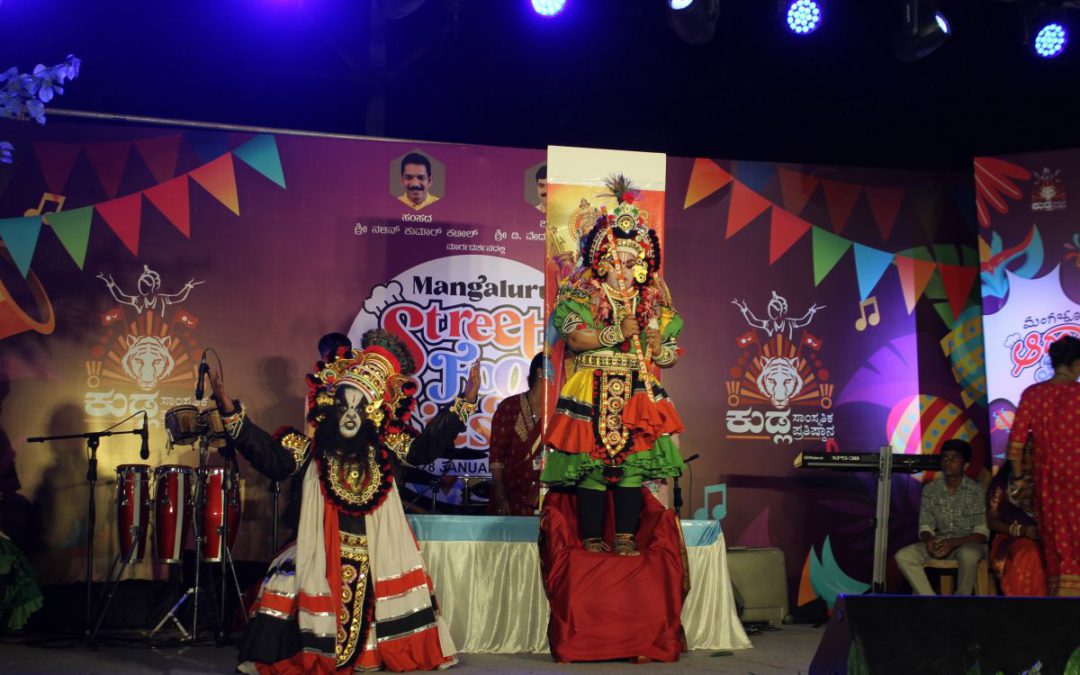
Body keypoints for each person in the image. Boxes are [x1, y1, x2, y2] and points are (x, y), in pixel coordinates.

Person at [211, 329, 479, 673]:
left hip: (378, 547)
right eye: (345, 404)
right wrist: (232, 412)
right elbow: (270, 458)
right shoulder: (310, 448)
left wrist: (464, 403)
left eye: (361, 406)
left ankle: (375, 653)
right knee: (289, 578)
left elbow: (424, 448)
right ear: (331, 407)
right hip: (320, 547)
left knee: (379, 584)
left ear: (374, 412)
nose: (351, 414)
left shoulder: (385, 447)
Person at [541, 175, 685, 555]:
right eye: (617, 259)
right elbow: (573, 338)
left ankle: (625, 535)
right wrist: (614, 333)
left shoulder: (653, 301)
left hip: (636, 388)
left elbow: (667, 355)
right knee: (590, 464)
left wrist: (658, 346)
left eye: (632, 260)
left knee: (634, 465)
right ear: (601, 261)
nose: (624, 267)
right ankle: (591, 536)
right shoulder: (581, 293)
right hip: (591, 383)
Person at [1006, 334, 1080, 597]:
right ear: (1076, 364)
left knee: (1057, 545)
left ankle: (1062, 607)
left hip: (1049, 487)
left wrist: (1018, 479)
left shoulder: (1033, 394)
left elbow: (1015, 445)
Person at [895, 439, 988, 596]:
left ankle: (960, 604)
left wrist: (954, 543)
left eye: (954, 458)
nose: (948, 462)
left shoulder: (976, 490)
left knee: (969, 555)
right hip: (939, 543)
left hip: (966, 544)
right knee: (903, 556)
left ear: (965, 465)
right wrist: (929, 540)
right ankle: (932, 602)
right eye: (945, 458)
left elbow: (982, 534)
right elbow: (925, 526)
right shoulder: (931, 489)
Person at [987, 440, 1047, 596]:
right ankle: (1025, 610)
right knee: (1029, 553)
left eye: (1032, 451)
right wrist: (1021, 530)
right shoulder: (1002, 481)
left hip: (1049, 537)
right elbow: (992, 521)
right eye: (1023, 451)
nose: (1027, 456)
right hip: (1011, 538)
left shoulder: (1049, 479)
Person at [488, 354, 545, 516]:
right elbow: (496, 457)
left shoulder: (559, 412)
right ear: (540, 372)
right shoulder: (509, 407)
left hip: (546, 497)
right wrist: (501, 495)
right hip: (511, 494)